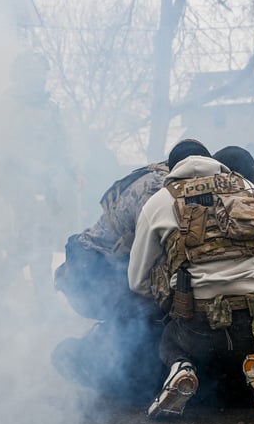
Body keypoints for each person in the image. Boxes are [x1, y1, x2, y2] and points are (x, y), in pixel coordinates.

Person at [129, 140, 254, 422]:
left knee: (170, 339)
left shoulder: (159, 201)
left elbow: (137, 282)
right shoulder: (251, 190)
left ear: (173, 168)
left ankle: (182, 367)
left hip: (197, 326)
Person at [51, 156, 171, 405]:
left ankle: (120, 361)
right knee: (140, 313)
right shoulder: (158, 189)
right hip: (91, 268)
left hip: (114, 264)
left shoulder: (181, 185)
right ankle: (100, 360)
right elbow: (147, 262)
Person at [0, 50, 75, 308]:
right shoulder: (4, 107)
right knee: (32, 241)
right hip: (15, 186)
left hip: (44, 186)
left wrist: (72, 170)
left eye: (41, 72)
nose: (38, 78)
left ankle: (3, 289)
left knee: (35, 242)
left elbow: (61, 145)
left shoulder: (50, 109)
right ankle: (24, 295)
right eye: (31, 72)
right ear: (19, 76)